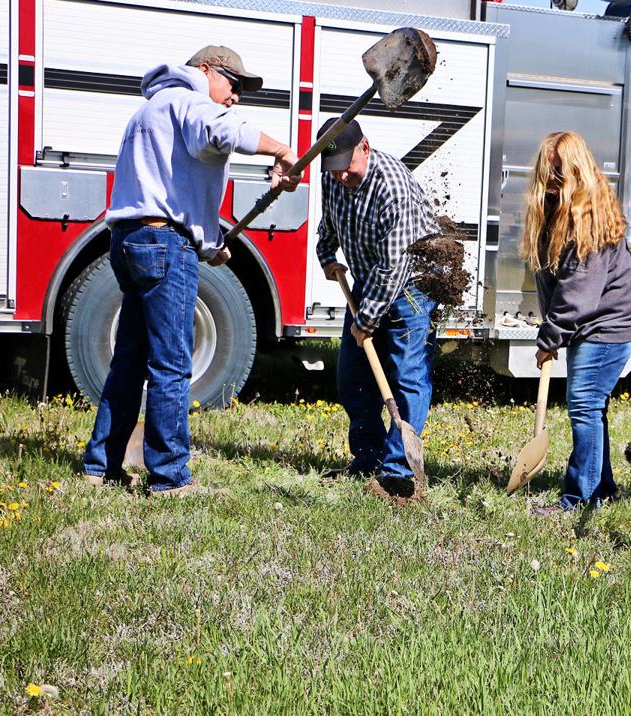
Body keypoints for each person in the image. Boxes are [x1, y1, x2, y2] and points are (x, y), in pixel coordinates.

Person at [82, 45, 300, 495]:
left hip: (131, 241)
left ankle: (100, 468)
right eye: (233, 84)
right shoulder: (189, 99)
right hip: (162, 243)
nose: (236, 97)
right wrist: (280, 150)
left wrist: (208, 245)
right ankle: (169, 476)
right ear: (204, 71)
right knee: (172, 364)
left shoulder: (153, 109)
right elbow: (219, 133)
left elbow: (173, 186)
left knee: (129, 361)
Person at [522, 131, 631, 512]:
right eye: (547, 171)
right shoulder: (550, 207)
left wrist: (551, 336)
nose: (552, 180)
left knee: (584, 402)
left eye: (560, 172)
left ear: (577, 170)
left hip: (612, 317)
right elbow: (553, 280)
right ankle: (602, 488)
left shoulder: (589, 214)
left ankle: (581, 497)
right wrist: (554, 330)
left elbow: (578, 288)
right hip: (588, 316)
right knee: (591, 404)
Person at [315, 118, 440, 498]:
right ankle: (367, 457)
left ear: (364, 148)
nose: (340, 179)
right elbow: (329, 224)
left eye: (347, 170)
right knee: (352, 375)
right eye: (333, 172)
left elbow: (395, 266)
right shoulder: (333, 174)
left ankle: (398, 471)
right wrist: (326, 255)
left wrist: (366, 319)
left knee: (406, 375)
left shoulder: (393, 188)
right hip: (371, 279)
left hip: (412, 284)